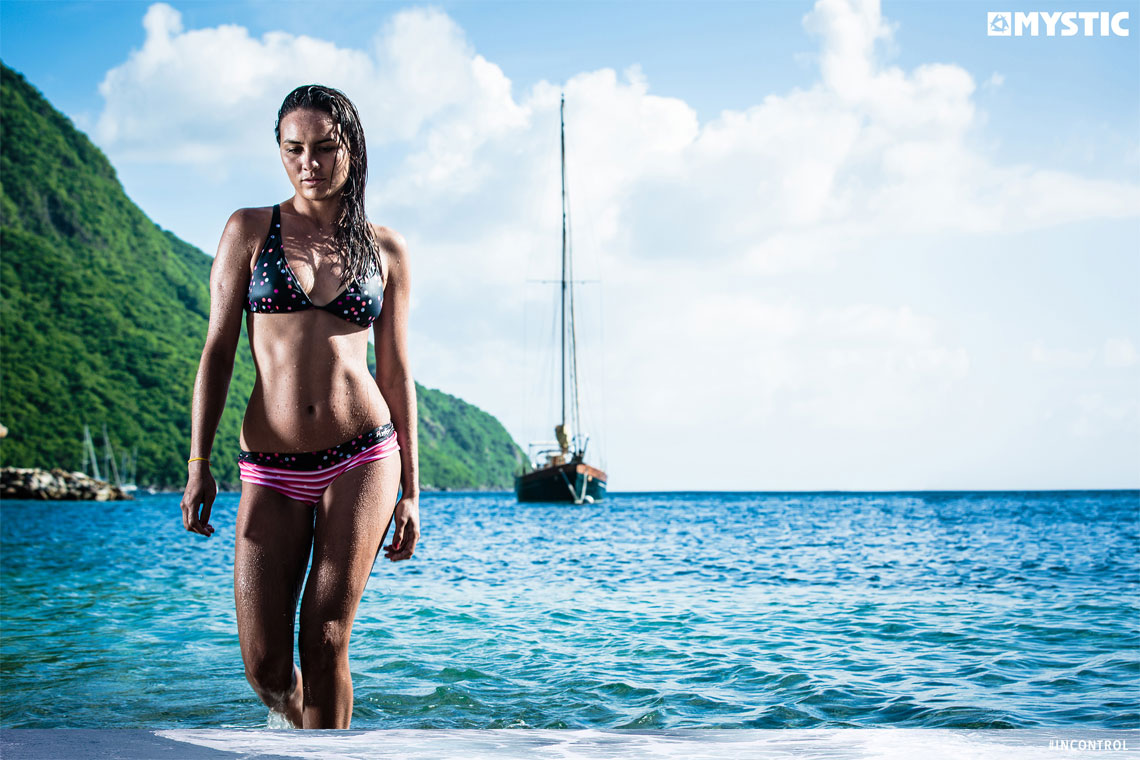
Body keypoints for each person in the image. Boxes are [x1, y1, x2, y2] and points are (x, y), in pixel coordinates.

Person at [179, 84, 420, 730]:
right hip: (271, 465)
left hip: (363, 455)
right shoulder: (249, 230)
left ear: (352, 149)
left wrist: (412, 492)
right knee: (263, 664)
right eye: (294, 150)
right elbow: (218, 351)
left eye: (324, 148)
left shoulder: (385, 249)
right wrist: (198, 461)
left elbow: (395, 372)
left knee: (328, 635)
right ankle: (296, 722)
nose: (308, 163)